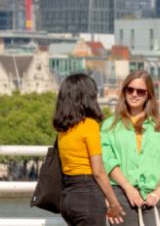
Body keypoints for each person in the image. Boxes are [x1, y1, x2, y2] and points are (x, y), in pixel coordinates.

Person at [101, 70, 160, 225]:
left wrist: (158, 191)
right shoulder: (109, 126)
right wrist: (128, 187)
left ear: (148, 95)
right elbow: (108, 162)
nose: (134, 94)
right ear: (124, 92)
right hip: (121, 193)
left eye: (140, 91)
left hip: (156, 197)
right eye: (130, 90)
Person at [52, 73, 125, 225]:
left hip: (68, 197)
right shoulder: (89, 125)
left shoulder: (63, 129)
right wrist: (113, 202)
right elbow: (98, 172)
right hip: (87, 194)